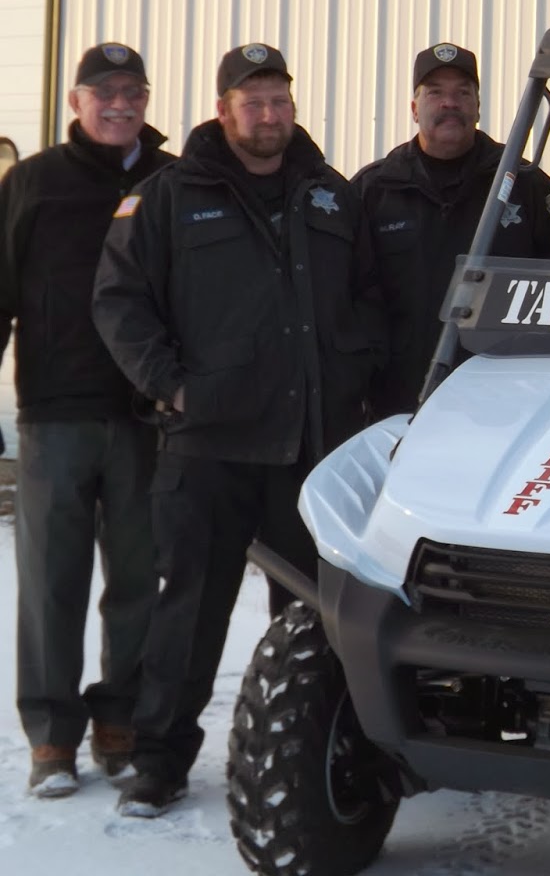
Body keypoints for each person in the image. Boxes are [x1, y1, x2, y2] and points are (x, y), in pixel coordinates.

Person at [92, 42, 384, 817]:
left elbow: (368, 301)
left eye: (279, 99)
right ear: (223, 111)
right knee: (187, 614)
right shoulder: (167, 196)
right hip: (209, 447)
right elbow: (119, 302)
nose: (268, 114)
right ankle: (159, 762)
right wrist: (170, 387)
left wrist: (354, 387)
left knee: (318, 621)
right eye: (252, 101)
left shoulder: (329, 196)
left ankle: (328, 756)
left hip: (308, 451)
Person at [0, 44, 174, 797]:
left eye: (131, 92)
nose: (118, 104)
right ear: (76, 102)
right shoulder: (33, 182)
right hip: (55, 412)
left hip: (144, 414)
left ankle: (120, 719)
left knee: (138, 578)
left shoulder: (170, 181)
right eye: (102, 93)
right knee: (51, 582)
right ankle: (52, 737)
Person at [354, 42, 550, 416]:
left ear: (477, 106)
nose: (449, 103)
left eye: (462, 92)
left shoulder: (523, 183)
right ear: (414, 108)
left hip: (504, 400)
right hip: (400, 402)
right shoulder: (373, 191)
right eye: (435, 93)